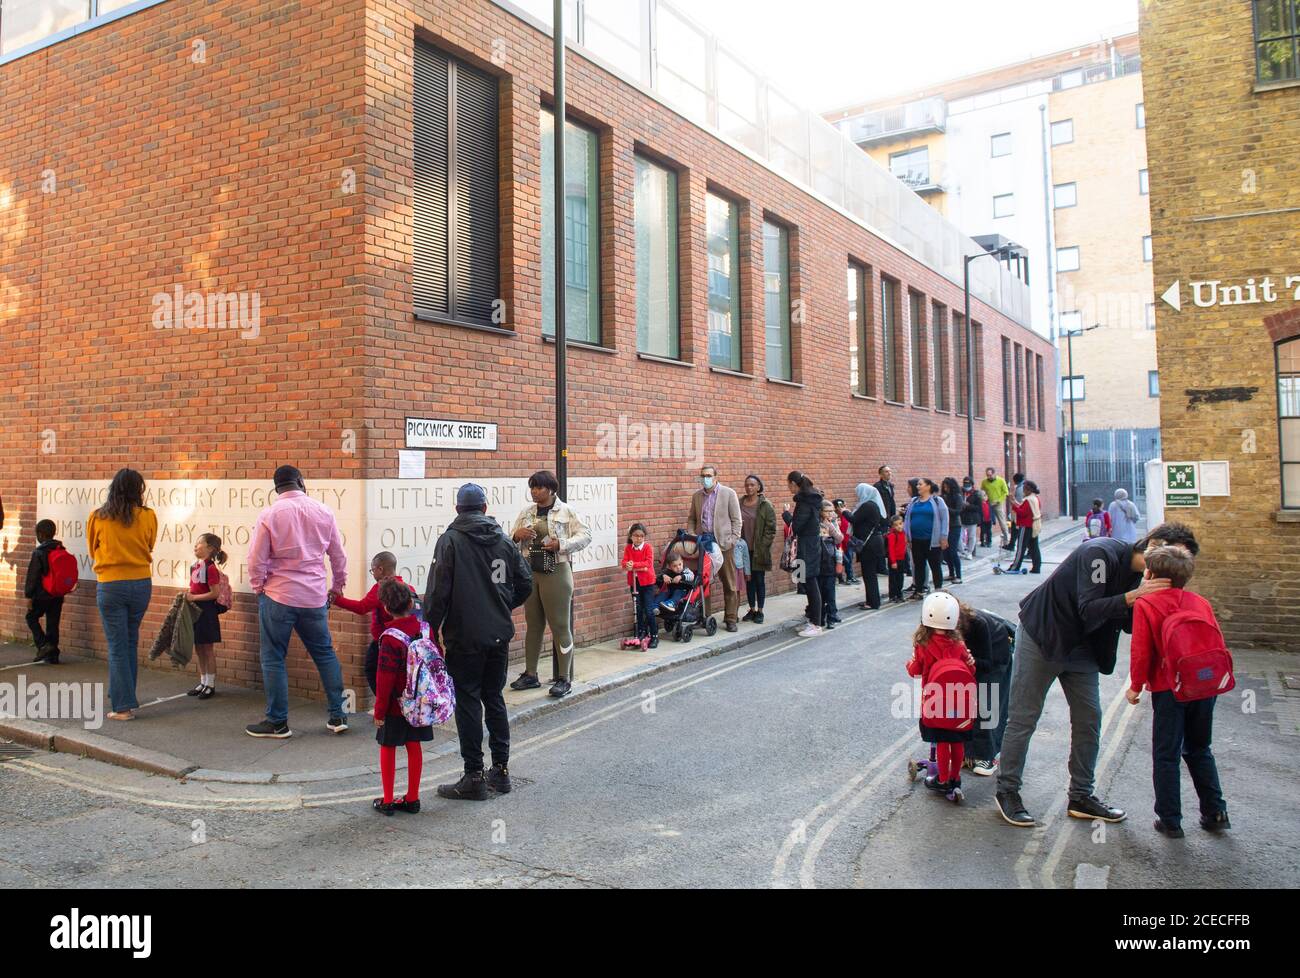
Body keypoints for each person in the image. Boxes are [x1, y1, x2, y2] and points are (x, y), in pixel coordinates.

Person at [994, 522, 1200, 828]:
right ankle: (1007, 790)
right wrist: (1136, 595)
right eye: (1173, 554)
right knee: (1024, 718)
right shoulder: (1100, 554)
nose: (1173, 566)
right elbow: (1089, 608)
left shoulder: (1145, 577)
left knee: (1089, 719)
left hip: (1083, 649)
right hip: (1044, 637)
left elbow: (1130, 623)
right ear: (1154, 543)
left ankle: (1081, 795)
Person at [425, 483, 532, 800]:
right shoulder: (502, 540)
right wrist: (502, 605)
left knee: (469, 701)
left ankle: (473, 775)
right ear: (485, 508)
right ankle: (500, 773)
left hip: (464, 635)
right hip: (498, 633)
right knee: (494, 698)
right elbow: (525, 582)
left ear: (458, 509)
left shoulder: (450, 541)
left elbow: (437, 594)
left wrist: (431, 631)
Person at [1126, 546, 1231, 838]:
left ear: (1151, 574)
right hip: (1204, 686)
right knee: (1200, 749)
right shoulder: (1200, 602)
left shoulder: (1147, 604)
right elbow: (1217, 645)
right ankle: (1216, 812)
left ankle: (1170, 820)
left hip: (1169, 689)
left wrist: (1136, 686)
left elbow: (1141, 652)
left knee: (1166, 754)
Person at [245, 465, 349, 739]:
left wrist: (258, 587)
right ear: (301, 482)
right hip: (313, 596)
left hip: (278, 595)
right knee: (324, 653)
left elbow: (256, 559)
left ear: (276, 487)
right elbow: (338, 556)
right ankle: (338, 715)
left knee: (273, 657)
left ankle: (278, 722)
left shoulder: (269, 514)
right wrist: (337, 587)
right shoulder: (323, 511)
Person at [509, 470, 591, 698]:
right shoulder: (526, 512)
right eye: (532, 487)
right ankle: (530, 674)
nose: (534, 492)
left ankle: (564, 678)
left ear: (551, 489)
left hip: (556, 571)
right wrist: (517, 535)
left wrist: (561, 544)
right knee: (533, 624)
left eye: (539, 488)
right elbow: (509, 540)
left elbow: (586, 535)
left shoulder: (566, 511)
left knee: (560, 625)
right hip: (530, 572)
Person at [87, 468, 158, 721]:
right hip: (141, 583)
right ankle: (124, 695)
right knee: (129, 642)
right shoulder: (148, 516)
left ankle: (122, 707)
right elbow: (150, 545)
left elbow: (93, 550)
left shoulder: (98, 516)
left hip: (111, 584)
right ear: (138, 490)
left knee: (117, 646)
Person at [906, 591, 976, 796]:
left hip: (936, 700)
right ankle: (955, 778)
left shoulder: (923, 644)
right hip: (961, 699)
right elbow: (971, 670)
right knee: (957, 740)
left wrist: (909, 663)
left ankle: (942, 779)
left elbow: (914, 670)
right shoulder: (959, 644)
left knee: (943, 740)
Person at [371, 578, 432, 816]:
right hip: (418, 703)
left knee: (388, 746)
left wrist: (379, 711)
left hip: (396, 705)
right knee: (413, 745)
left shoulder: (389, 638)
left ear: (386, 608)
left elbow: (384, 678)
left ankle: (387, 800)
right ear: (410, 603)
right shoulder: (423, 629)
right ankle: (413, 798)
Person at [330, 551, 418, 694]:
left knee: (372, 670)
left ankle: (386, 708)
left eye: (373, 570)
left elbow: (362, 607)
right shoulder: (408, 587)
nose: (373, 574)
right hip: (406, 641)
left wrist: (337, 599)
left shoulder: (382, 588)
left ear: (380, 569)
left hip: (384, 641)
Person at [960, 602, 1015, 776]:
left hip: (996, 655)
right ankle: (967, 752)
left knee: (986, 704)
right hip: (970, 657)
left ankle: (988, 755)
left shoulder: (977, 624)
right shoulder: (933, 624)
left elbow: (987, 663)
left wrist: (969, 660)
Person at [687, 464, 743, 633]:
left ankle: (731, 618)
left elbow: (737, 520)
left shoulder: (728, 493)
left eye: (709, 475)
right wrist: (692, 536)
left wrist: (733, 540)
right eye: (703, 475)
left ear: (716, 477)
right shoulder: (697, 496)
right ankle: (704, 617)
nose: (706, 478)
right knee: (703, 582)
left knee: (729, 582)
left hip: (723, 544)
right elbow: (691, 519)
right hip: (704, 544)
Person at [184, 533, 228, 699]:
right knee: (199, 647)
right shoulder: (195, 566)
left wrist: (194, 597)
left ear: (210, 548)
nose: (195, 546)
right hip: (195, 611)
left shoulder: (211, 569)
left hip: (206, 612)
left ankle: (210, 684)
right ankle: (202, 681)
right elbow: (194, 587)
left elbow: (214, 593)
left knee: (207, 649)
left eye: (199, 544)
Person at [783, 471, 825, 637]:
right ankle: (812, 620)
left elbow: (796, 527)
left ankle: (816, 624)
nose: (788, 487)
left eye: (788, 484)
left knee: (811, 583)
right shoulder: (810, 499)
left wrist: (786, 514)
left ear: (794, 484)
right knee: (807, 583)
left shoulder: (805, 502)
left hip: (808, 546)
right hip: (810, 545)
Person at [24, 519, 66, 665]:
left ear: (40, 535)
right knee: (53, 624)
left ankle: (43, 645)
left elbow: (32, 576)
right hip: (57, 595)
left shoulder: (39, 552)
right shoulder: (61, 549)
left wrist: (29, 596)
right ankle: (53, 655)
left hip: (42, 595)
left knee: (31, 617)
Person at [739, 474, 776, 624]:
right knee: (748, 581)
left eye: (752, 485)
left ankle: (760, 611)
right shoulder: (739, 502)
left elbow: (771, 528)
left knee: (759, 580)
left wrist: (763, 545)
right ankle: (752, 609)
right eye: (747, 484)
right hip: (743, 549)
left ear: (758, 487)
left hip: (758, 550)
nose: (749, 487)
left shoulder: (765, 504)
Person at [903, 478, 947, 600]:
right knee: (919, 566)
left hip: (932, 541)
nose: (918, 486)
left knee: (935, 565)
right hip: (916, 540)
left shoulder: (938, 501)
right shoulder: (913, 501)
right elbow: (907, 519)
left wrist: (944, 537)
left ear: (928, 486)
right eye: (917, 484)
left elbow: (945, 519)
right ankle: (919, 590)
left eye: (920, 484)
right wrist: (907, 535)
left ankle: (938, 589)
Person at [850, 482, 886, 610]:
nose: (857, 496)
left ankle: (873, 602)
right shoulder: (873, 505)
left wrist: (843, 511)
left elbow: (854, 519)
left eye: (858, 493)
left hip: (869, 545)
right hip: (874, 543)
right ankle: (871, 600)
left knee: (869, 574)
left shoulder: (867, 506)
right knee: (869, 574)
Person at [622, 522, 659, 648]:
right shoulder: (628, 548)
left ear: (644, 537)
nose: (639, 538)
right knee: (637, 609)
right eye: (636, 535)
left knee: (648, 610)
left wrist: (634, 565)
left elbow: (648, 563)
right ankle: (641, 633)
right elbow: (624, 562)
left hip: (647, 582)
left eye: (641, 536)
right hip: (634, 582)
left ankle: (654, 635)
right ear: (631, 536)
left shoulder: (647, 548)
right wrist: (627, 565)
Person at [817, 499, 844, 628]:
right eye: (827, 511)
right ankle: (820, 618)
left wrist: (831, 527)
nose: (830, 514)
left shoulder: (832, 523)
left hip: (830, 561)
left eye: (832, 511)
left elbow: (840, 538)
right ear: (820, 512)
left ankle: (832, 617)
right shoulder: (816, 523)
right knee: (820, 592)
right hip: (818, 561)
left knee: (830, 591)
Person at [1005, 481, 1043, 574]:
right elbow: (1024, 508)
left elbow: (1022, 513)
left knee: (1021, 548)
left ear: (1028, 489)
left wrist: (1013, 504)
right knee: (1034, 547)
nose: (1023, 491)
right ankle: (1036, 567)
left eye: (1024, 489)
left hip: (1026, 526)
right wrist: (1015, 501)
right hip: (1034, 526)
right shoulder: (1035, 498)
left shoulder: (1028, 500)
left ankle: (1015, 567)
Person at [939, 477, 964, 584]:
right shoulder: (943, 497)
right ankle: (951, 573)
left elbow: (958, 511)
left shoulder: (957, 497)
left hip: (954, 526)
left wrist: (945, 508)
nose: (945, 489)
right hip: (944, 526)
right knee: (945, 552)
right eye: (944, 487)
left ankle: (958, 575)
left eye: (947, 486)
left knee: (953, 551)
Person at [980, 467, 1010, 547]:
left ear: (994, 473)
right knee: (986, 523)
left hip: (998, 504)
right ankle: (987, 541)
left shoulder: (1001, 481)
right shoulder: (984, 482)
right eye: (987, 475)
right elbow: (982, 492)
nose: (988, 477)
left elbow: (1005, 493)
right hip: (988, 504)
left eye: (990, 475)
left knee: (1002, 522)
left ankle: (1006, 541)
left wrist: (998, 500)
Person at [885, 515, 908, 604]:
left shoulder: (903, 533)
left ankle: (899, 594)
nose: (899, 526)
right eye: (896, 525)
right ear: (892, 526)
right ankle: (892, 595)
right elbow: (891, 549)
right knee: (893, 579)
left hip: (901, 559)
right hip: (894, 560)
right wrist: (893, 562)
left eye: (900, 524)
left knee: (900, 578)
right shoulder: (892, 535)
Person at [834, 498, 857, 585]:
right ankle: (843, 578)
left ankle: (850, 577)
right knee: (843, 560)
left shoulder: (847, 515)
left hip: (848, 541)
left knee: (849, 560)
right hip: (841, 543)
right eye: (839, 506)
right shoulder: (836, 518)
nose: (842, 508)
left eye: (843, 506)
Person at [959, 482, 984, 560]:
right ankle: (962, 550)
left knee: (971, 536)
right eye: (965, 485)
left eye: (968, 485)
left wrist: (968, 505)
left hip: (972, 518)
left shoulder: (976, 494)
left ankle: (970, 552)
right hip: (962, 517)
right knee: (959, 536)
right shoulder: (960, 493)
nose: (966, 487)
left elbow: (978, 507)